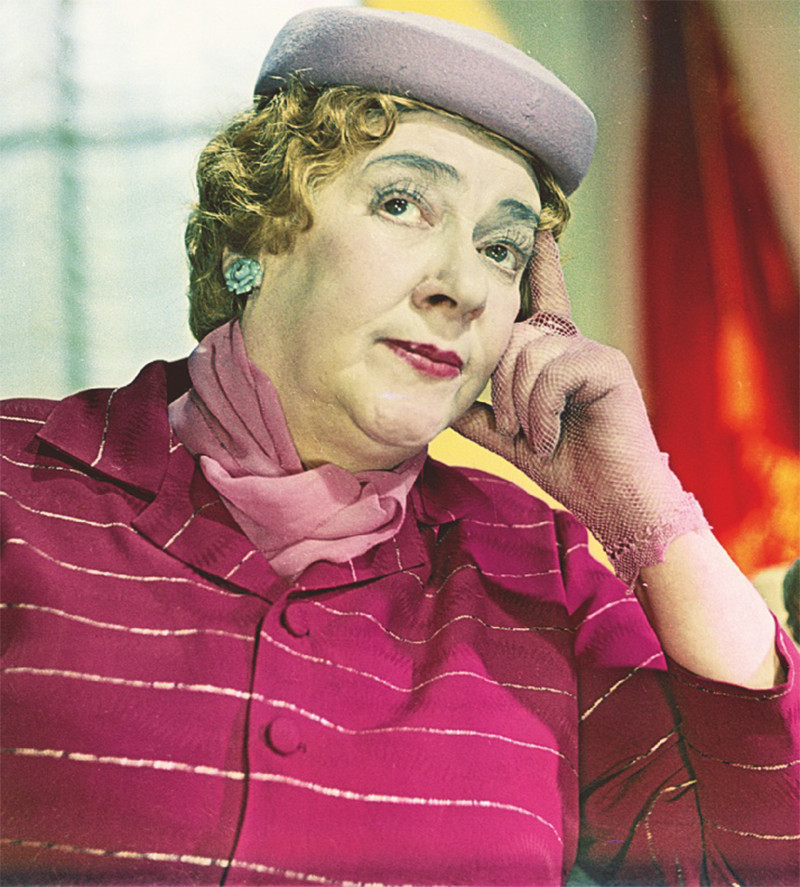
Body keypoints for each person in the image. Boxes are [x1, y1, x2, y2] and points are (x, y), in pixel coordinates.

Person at [1, 7, 797, 886]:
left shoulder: (544, 573)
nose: (462, 285)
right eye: (402, 203)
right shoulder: (15, 483)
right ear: (254, 234)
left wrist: (646, 506)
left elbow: (756, 862)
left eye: (501, 248)